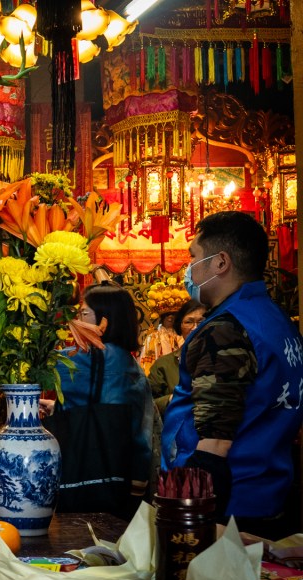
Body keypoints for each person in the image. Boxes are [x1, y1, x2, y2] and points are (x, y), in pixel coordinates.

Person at [161, 211, 303, 537]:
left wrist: (188, 519)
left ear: (220, 262)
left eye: (194, 257)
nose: (189, 269)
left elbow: (215, 441)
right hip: (269, 491)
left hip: (226, 508)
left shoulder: (225, 329)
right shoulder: (275, 319)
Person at [42, 283, 154, 515]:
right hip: (125, 477)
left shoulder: (91, 358)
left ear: (105, 319)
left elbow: (32, 363)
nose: (77, 320)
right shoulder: (128, 361)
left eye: (84, 313)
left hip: (88, 475)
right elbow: (129, 419)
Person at [147, 299, 206, 414]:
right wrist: (172, 399)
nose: (195, 328)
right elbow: (147, 402)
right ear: (179, 326)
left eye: (201, 322)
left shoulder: (222, 358)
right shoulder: (163, 364)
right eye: (189, 322)